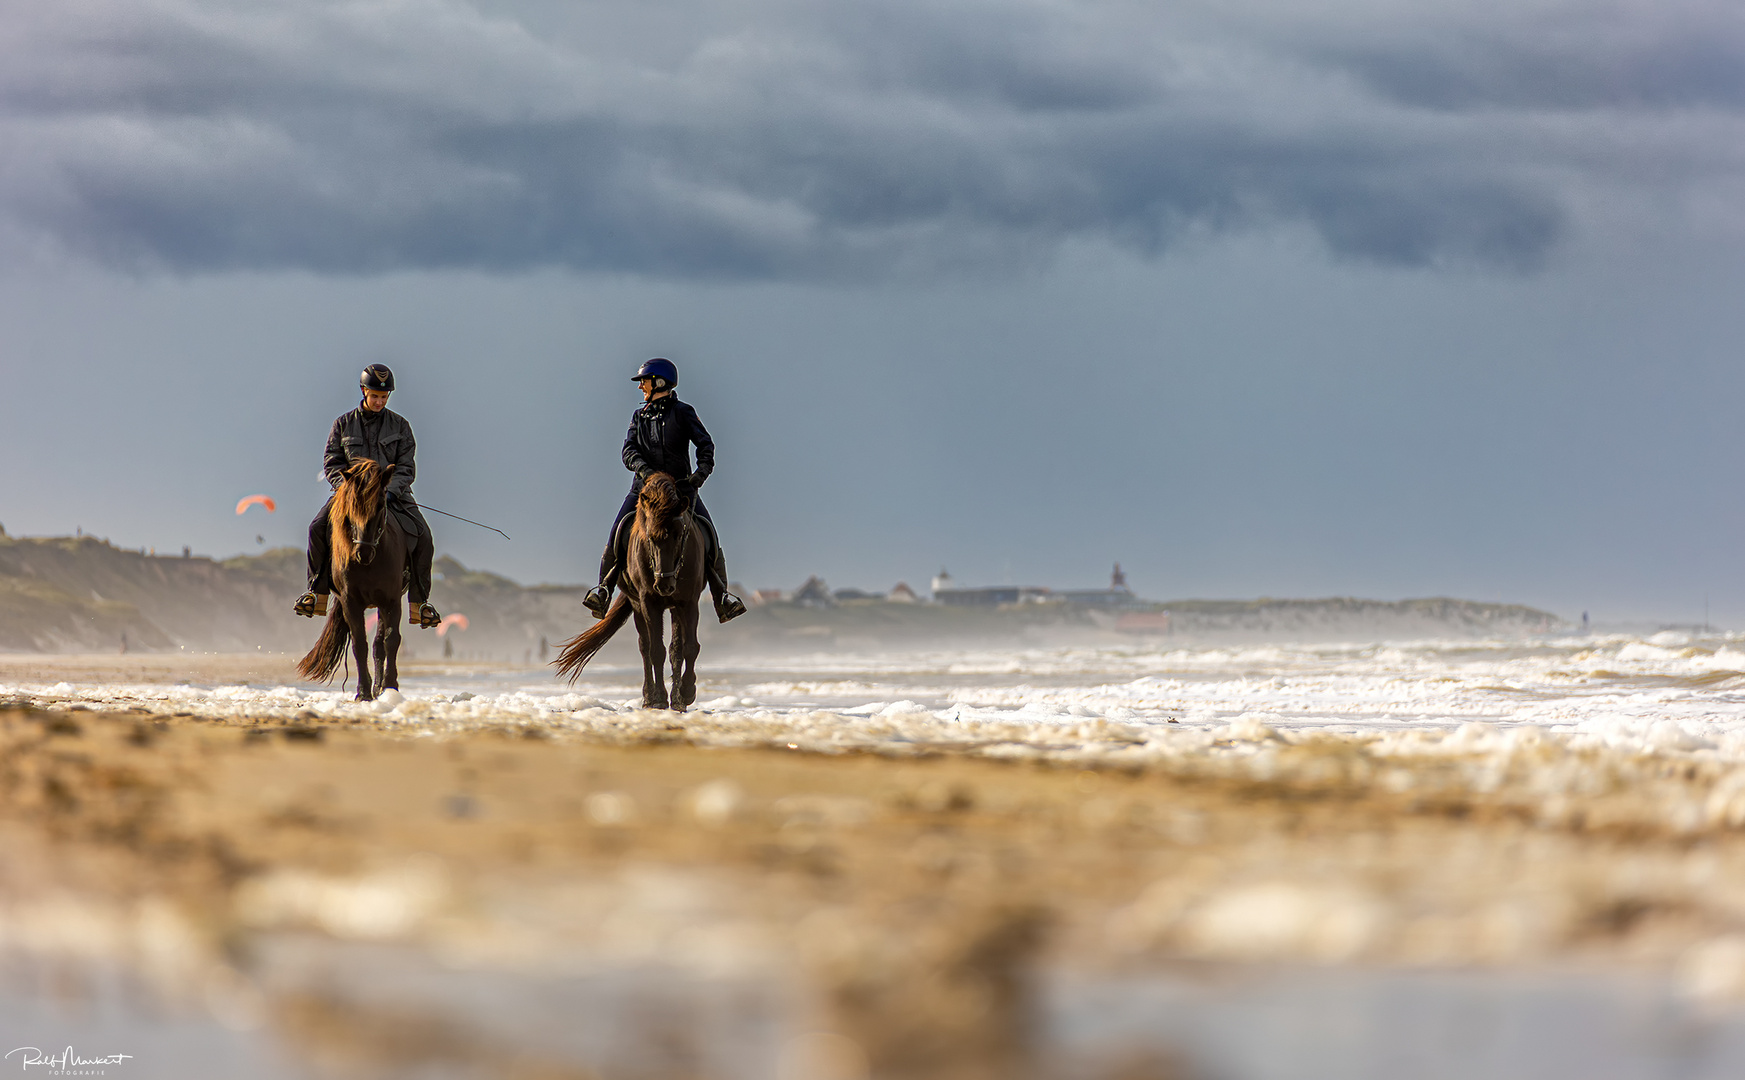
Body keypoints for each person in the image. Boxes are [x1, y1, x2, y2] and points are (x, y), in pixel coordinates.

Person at [584, 358, 747, 623]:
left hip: (681, 490)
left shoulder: (683, 412)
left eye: (644, 382)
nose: (641, 388)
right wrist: (645, 472)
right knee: (617, 532)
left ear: (659, 382)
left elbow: (705, 445)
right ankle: (603, 589)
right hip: (644, 492)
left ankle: (723, 598)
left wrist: (699, 476)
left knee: (710, 536)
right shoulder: (639, 416)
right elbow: (628, 451)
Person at [294, 364, 441, 628]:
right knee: (316, 527)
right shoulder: (342, 424)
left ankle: (421, 604)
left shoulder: (401, 426)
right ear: (363, 391)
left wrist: (388, 492)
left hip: (392, 496)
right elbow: (332, 462)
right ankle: (315, 591)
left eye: (384, 397)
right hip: (350, 497)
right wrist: (348, 490)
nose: (379, 401)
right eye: (375, 396)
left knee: (425, 536)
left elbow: (406, 467)